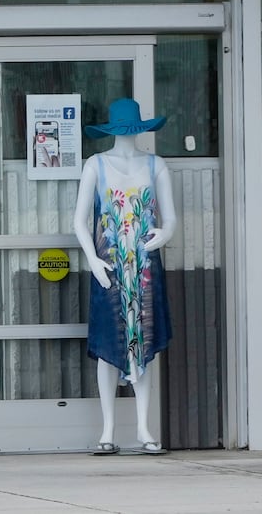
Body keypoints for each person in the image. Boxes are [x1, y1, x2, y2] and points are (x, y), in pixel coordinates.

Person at [71, 97, 177, 456]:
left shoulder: (156, 165)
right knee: (107, 346)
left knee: (144, 345)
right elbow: (79, 221)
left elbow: (171, 220)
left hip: (145, 268)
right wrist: (93, 261)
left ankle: (145, 428)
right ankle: (108, 429)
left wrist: (164, 233)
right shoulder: (96, 165)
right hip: (110, 267)